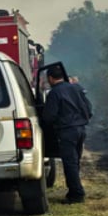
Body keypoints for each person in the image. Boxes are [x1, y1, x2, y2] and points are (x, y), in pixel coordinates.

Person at [43, 65, 93, 204]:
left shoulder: (54, 93)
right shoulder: (77, 88)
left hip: (66, 131)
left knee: (70, 163)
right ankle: (74, 190)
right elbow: (89, 108)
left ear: (51, 78)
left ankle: (77, 194)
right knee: (75, 161)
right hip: (81, 129)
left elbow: (49, 116)